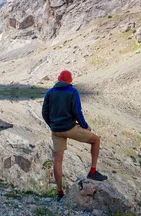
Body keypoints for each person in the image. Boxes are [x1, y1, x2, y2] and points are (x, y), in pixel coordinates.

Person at [41, 70, 107, 201]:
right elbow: (77, 111)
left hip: (56, 130)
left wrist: (52, 125)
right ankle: (93, 172)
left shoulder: (50, 92)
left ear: (59, 79)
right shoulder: (72, 92)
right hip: (70, 128)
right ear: (70, 80)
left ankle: (59, 192)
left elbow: (44, 112)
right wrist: (84, 125)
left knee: (58, 160)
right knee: (95, 140)